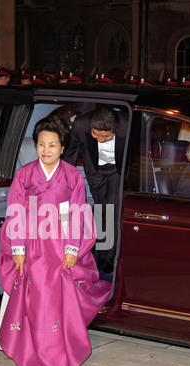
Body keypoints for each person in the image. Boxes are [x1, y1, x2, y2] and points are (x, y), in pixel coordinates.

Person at [0, 115, 111, 366]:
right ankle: (34, 352)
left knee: (58, 299)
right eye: (42, 145)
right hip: (33, 246)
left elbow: (79, 212)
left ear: (62, 148)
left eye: (53, 145)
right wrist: (18, 250)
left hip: (59, 246)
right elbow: (16, 213)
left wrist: (72, 249)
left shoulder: (71, 175)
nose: (46, 150)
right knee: (35, 299)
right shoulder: (24, 174)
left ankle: (58, 353)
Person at [63, 105, 127, 273]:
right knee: (100, 209)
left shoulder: (128, 123)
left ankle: (107, 257)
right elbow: (70, 151)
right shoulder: (81, 124)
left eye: (105, 136)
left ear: (115, 129)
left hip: (118, 171)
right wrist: (64, 180)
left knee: (112, 210)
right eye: (95, 135)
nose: (100, 139)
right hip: (95, 169)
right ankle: (98, 248)